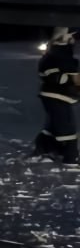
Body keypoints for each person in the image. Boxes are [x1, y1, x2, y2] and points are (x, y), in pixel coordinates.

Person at [34, 27, 80, 165]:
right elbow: (71, 78)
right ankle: (71, 159)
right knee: (66, 127)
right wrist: (70, 80)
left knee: (54, 124)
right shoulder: (61, 55)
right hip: (57, 96)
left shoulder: (56, 54)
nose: (73, 40)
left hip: (53, 96)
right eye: (70, 37)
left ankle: (43, 148)